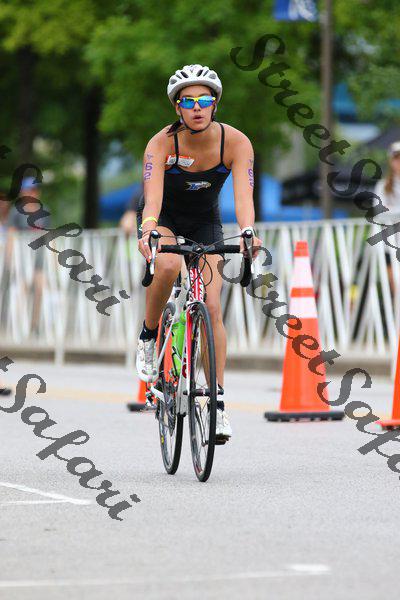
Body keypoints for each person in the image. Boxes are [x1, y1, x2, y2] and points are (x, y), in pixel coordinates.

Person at [135, 64, 262, 441]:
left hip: (206, 222)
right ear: (177, 107)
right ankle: (148, 335)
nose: (196, 108)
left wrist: (248, 233)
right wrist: (148, 229)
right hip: (165, 218)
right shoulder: (161, 143)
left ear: (215, 104)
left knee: (212, 305)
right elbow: (152, 199)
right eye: (188, 101)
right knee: (168, 263)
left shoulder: (236, 142)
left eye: (204, 100)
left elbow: (244, 198)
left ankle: (216, 403)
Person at [374, 141, 400, 293]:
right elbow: (379, 212)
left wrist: (392, 211)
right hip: (389, 244)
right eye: (397, 158)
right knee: (395, 287)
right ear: (391, 161)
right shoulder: (383, 186)